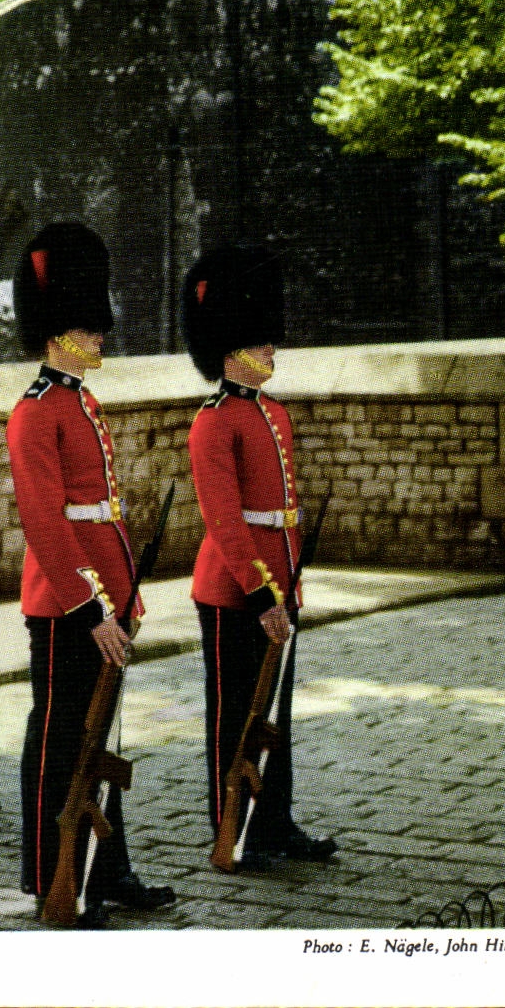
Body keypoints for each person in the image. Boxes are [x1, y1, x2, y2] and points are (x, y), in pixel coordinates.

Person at [9, 222, 174, 925]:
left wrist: (123, 596)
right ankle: (56, 873)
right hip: (65, 606)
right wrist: (92, 606)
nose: (100, 334)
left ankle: (107, 870)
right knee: (60, 743)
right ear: (56, 333)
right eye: (87, 325)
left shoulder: (82, 402)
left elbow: (102, 512)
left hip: (105, 600)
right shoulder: (35, 411)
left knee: (98, 741)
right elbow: (49, 524)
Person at [182, 244, 336, 870]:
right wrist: (263, 592)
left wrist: (287, 589)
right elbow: (224, 521)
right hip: (233, 590)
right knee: (235, 715)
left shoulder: (273, 414)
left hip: (280, 583)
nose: (272, 348)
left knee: (275, 715)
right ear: (230, 346)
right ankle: (232, 826)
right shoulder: (213, 421)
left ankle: (274, 820)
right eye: (261, 340)